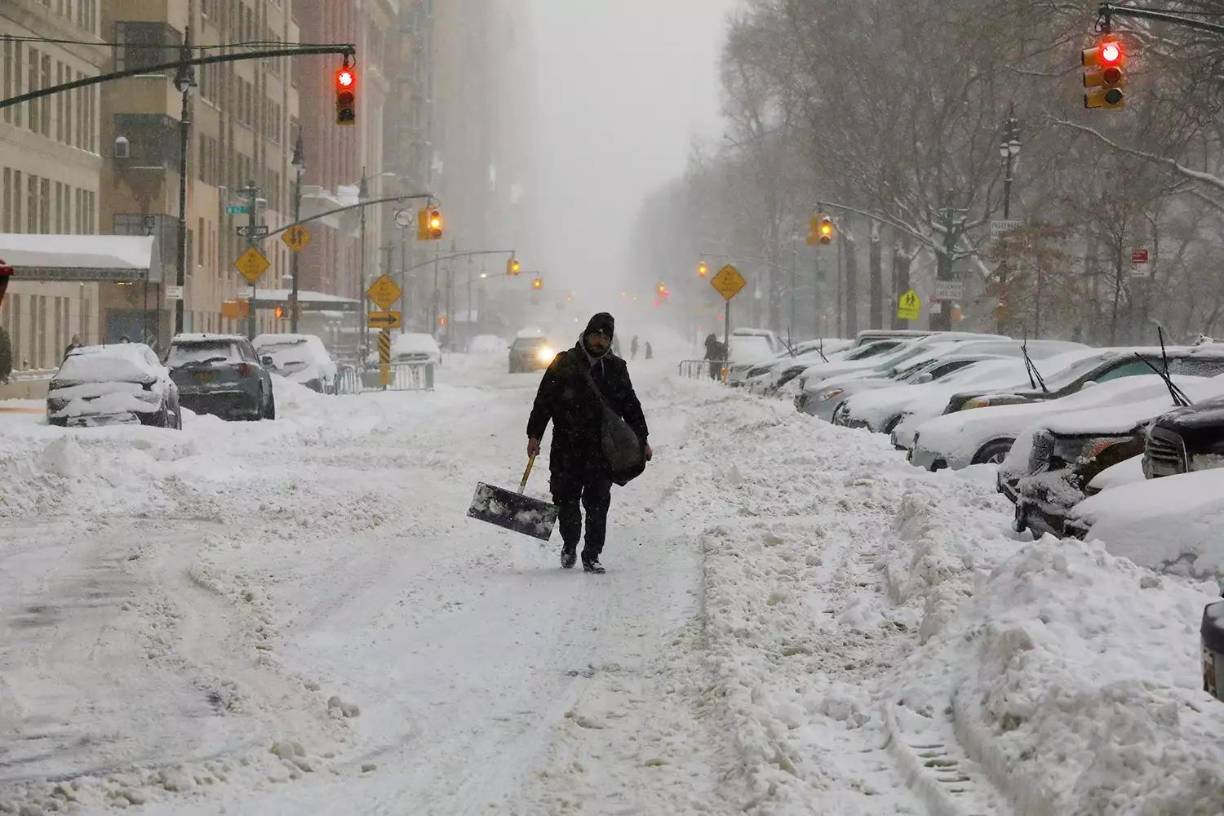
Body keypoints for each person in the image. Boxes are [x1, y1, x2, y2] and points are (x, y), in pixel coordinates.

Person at [527, 312, 651, 574]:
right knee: (565, 499)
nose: (600, 341)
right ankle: (570, 544)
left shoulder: (616, 369)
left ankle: (592, 554)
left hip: (600, 449)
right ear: (586, 334)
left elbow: (631, 405)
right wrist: (534, 435)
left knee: (597, 502)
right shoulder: (563, 362)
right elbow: (543, 401)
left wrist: (644, 439)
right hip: (566, 446)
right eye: (596, 335)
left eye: (606, 337)